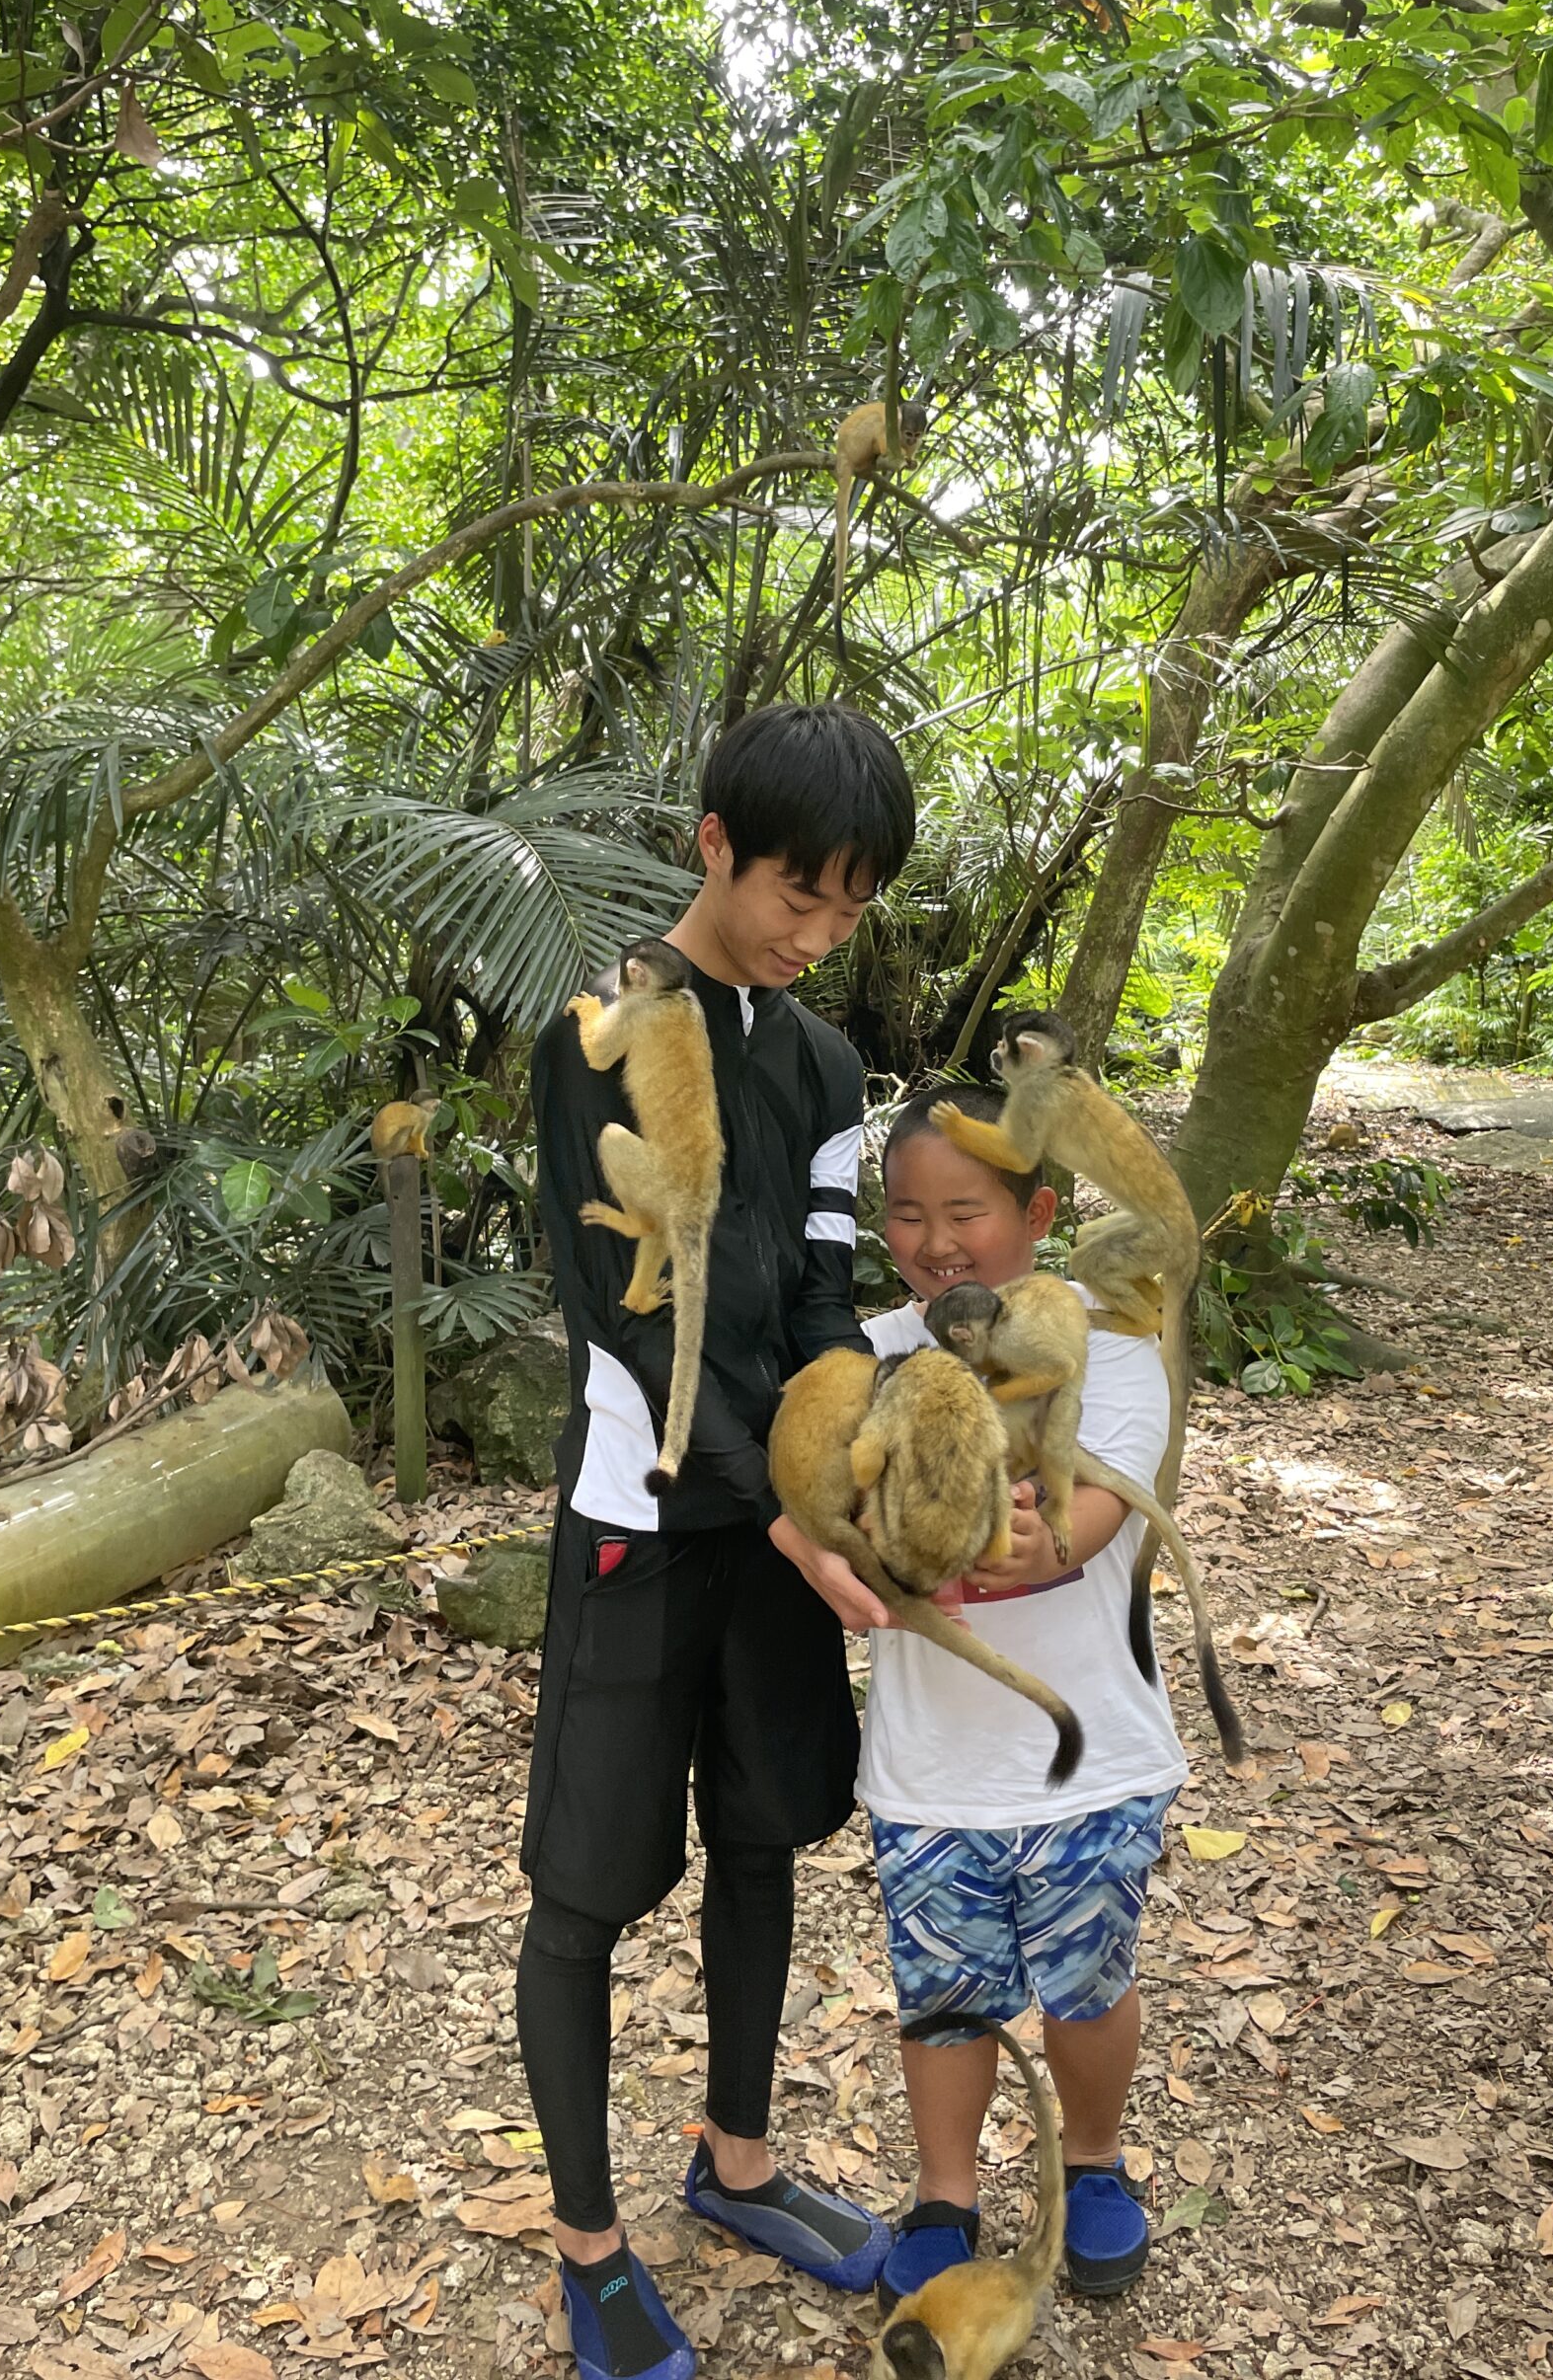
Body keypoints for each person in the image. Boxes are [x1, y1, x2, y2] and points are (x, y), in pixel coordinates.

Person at [520, 703, 915, 2380]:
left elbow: (820, 1291)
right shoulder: (603, 1027)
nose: (815, 932)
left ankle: (737, 2164)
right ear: (712, 846)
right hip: (646, 1519)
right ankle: (589, 2251)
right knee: (586, 1888)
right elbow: (624, 1317)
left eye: (849, 907)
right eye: (793, 893)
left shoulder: (822, 1065)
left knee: (767, 1834)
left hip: (778, 1529)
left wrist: (847, 1483)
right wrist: (775, 1508)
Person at [847, 1084, 1190, 2308]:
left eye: (967, 1212)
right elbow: (834, 1506)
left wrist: (1022, 1539)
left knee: (1088, 1981)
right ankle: (946, 2193)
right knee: (944, 1996)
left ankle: (1092, 2163)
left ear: (1038, 1215)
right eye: (908, 1214)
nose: (937, 1241)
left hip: (1089, 1754)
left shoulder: (1108, 1346)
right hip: (932, 1762)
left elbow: (1087, 1520)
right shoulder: (874, 1353)